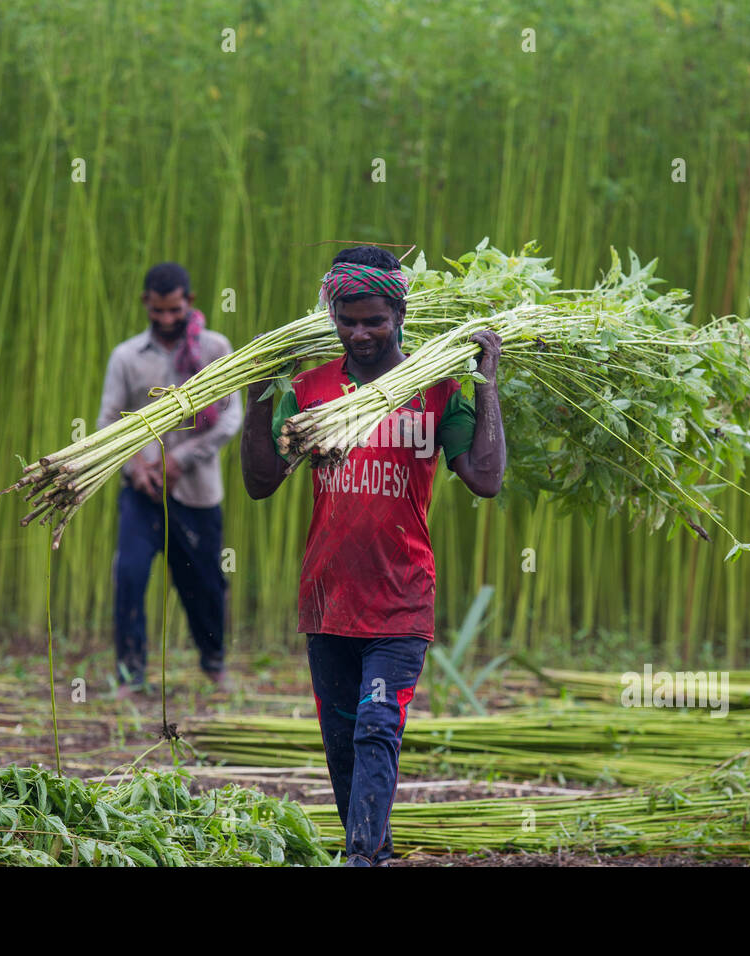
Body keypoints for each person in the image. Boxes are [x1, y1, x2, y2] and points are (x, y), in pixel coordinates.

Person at [240, 245, 505, 865]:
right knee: (340, 746)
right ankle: (373, 852)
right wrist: (255, 389)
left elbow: (486, 478)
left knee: (377, 729)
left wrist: (488, 383)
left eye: (374, 320)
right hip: (326, 597)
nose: (360, 333)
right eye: (347, 320)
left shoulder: (437, 389)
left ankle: (359, 860)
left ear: (399, 314)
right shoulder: (308, 389)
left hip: (401, 599)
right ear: (331, 315)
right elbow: (260, 481)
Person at [97, 263, 243, 697]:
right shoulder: (126, 356)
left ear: (189, 302)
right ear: (146, 303)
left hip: (197, 493)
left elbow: (231, 414)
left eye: (174, 310)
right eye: (157, 310)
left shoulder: (215, 349)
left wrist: (181, 458)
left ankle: (215, 665)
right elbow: (109, 421)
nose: (165, 319)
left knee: (204, 583)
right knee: (129, 573)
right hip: (142, 492)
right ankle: (130, 673)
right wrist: (135, 467)